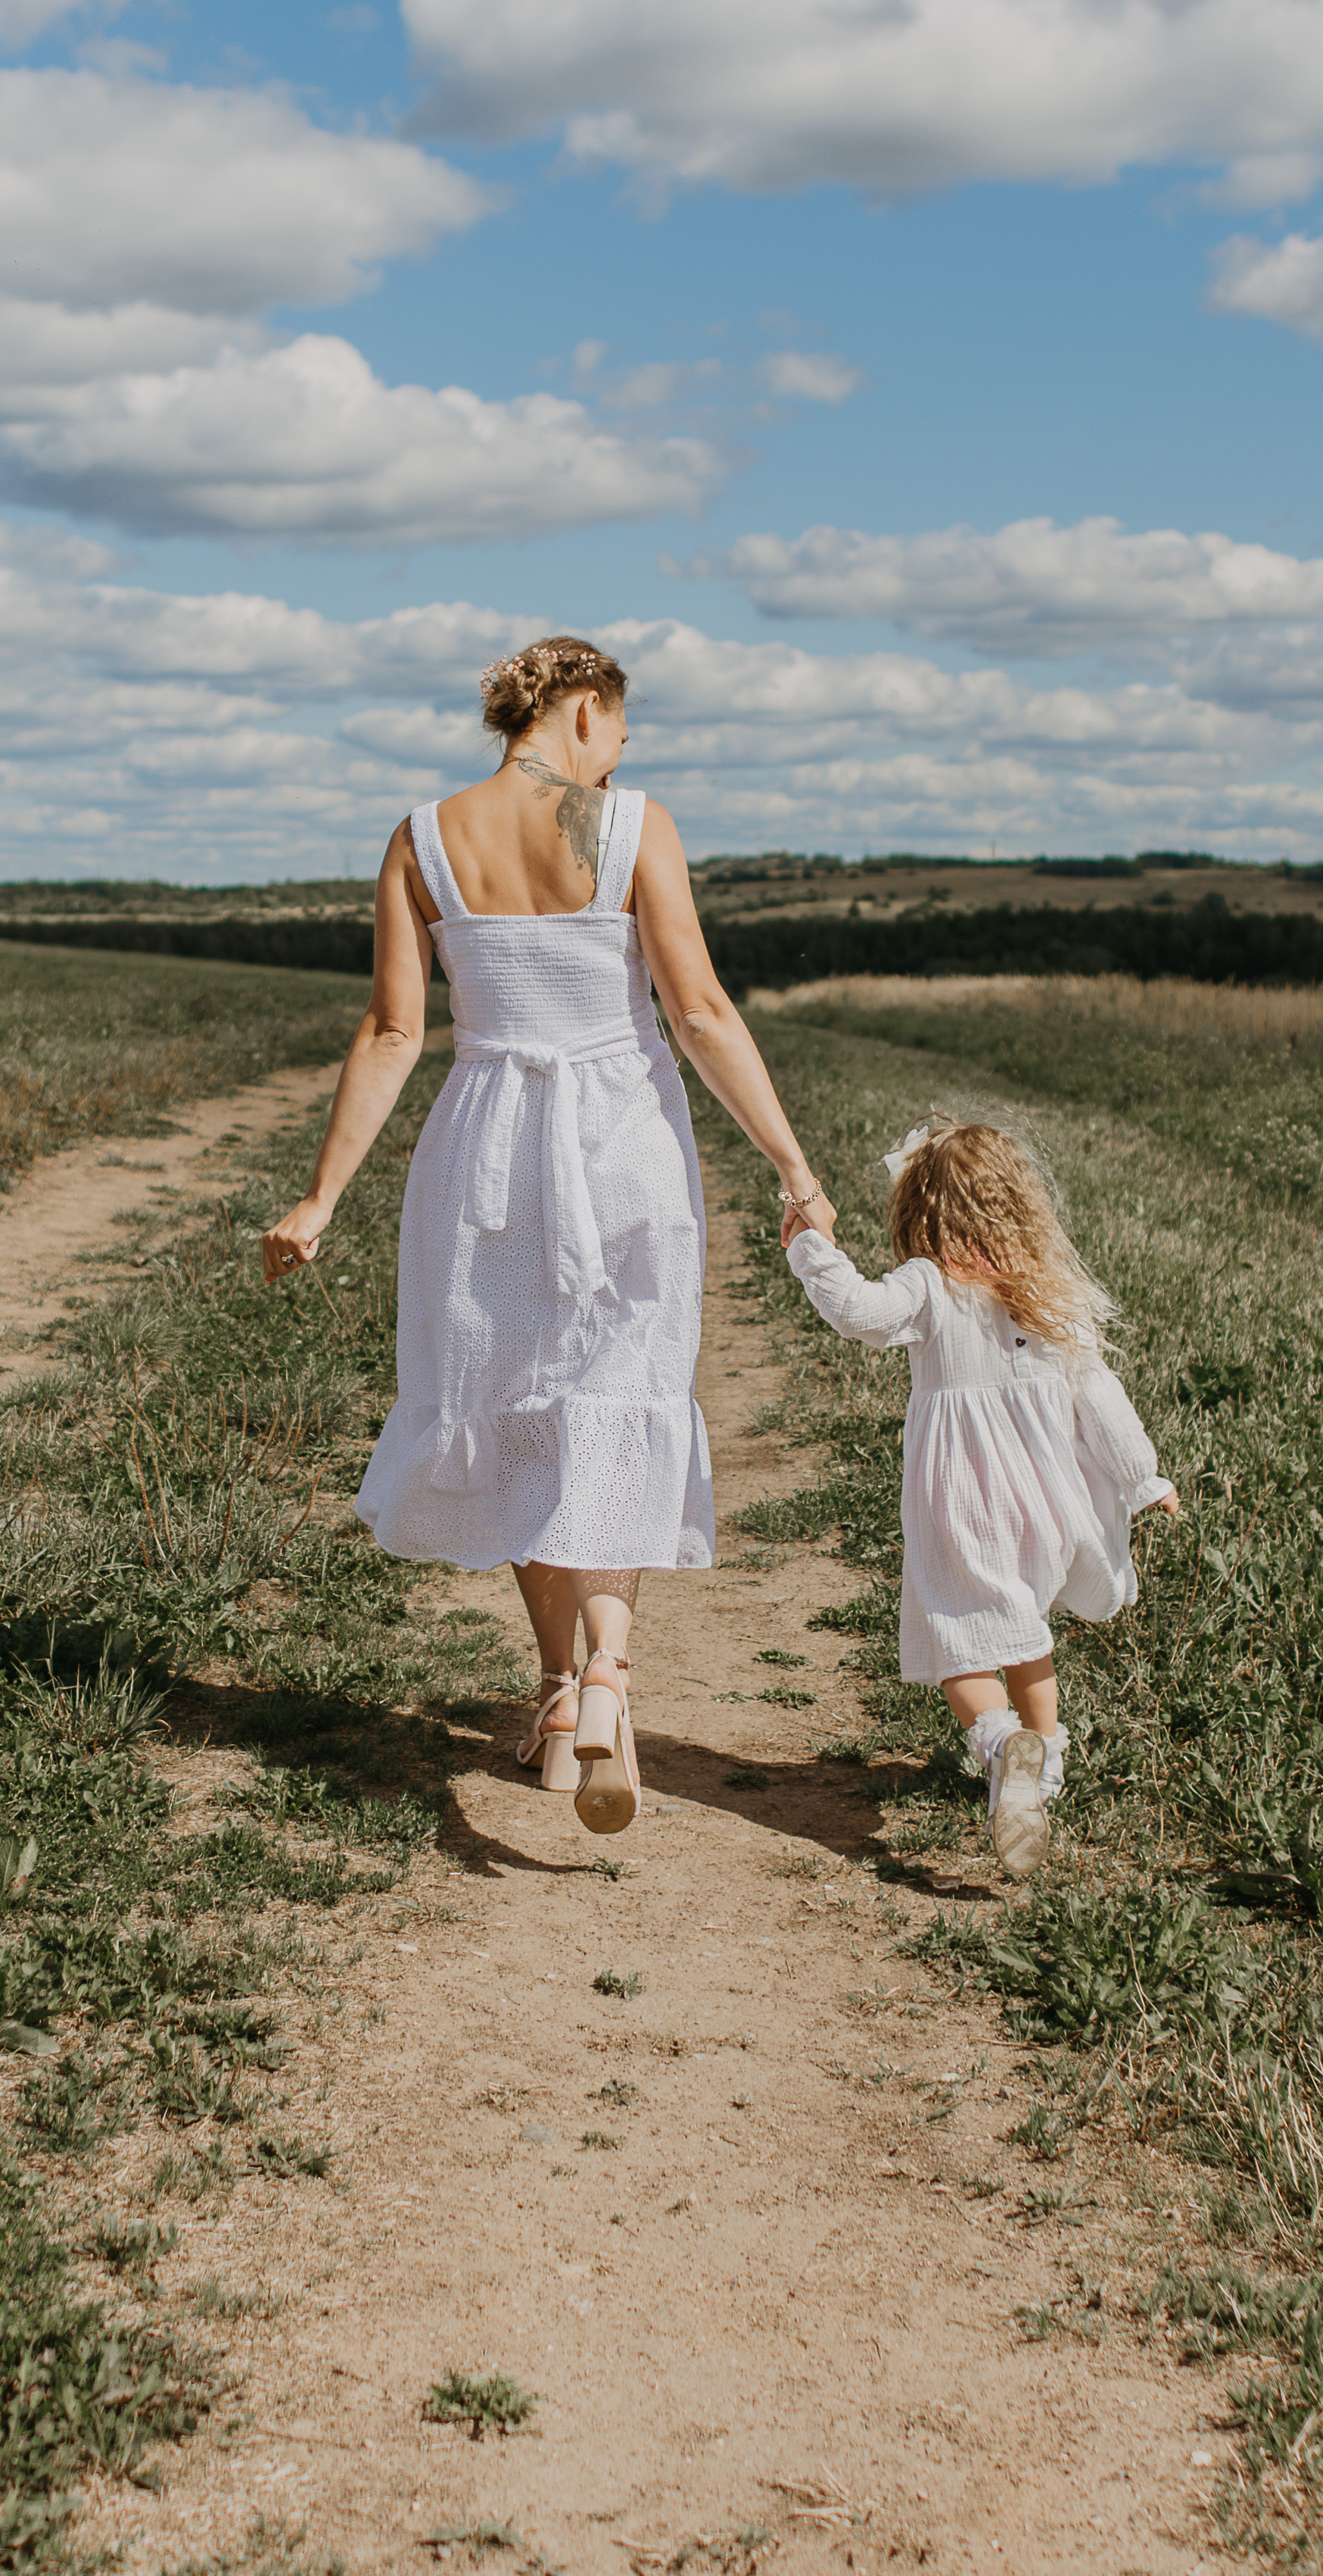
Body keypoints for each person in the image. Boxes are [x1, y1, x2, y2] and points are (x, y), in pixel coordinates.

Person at [261, 636, 832, 1835]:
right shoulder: (630, 827)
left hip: (485, 1152)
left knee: (516, 1400)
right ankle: (609, 1676)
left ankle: (559, 1693)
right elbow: (699, 1011)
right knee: (620, 1396)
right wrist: (791, 1163)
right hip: (620, 1143)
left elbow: (391, 1032)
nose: (621, 753)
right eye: (618, 729)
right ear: (582, 711)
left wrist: (320, 1198)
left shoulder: (422, 838)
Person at [780, 1115, 1176, 1878]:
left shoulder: (929, 1284)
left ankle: (998, 1743)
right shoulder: (1048, 1296)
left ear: (919, 1207)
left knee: (959, 1633)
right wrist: (1142, 1477)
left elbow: (857, 1312)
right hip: (1045, 1499)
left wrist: (810, 1245)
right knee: (1025, 1628)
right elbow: (1099, 1395)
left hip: (960, 1499)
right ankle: (1043, 1761)